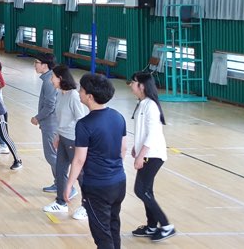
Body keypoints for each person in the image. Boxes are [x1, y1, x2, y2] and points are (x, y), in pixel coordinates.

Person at [65, 73, 128, 249]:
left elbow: (79, 159)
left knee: (102, 235)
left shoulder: (84, 124)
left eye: (82, 90)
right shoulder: (118, 116)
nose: (79, 92)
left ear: (90, 96)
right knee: (113, 227)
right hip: (119, 182)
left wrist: (69, 184)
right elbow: (123, 149)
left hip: (97, 187)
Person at [129, 71, 176, 241]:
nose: (130, 85)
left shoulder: (151, 106)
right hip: (147, 153)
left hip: (153, 155)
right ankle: (151, 227)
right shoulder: (142, 103)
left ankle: (166, 226)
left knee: (140, 190)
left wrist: (141, 155)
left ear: (142, 86)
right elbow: (143, 131)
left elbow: (153, 134)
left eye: (133, 82)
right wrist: (136, 147)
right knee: (146, 190)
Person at [42, 65, 88, 220]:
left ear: (60, 78)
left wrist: (80, 142)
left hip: (73, 140)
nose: (51, 80)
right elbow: (59, 118)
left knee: (80, 174)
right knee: (60, 169)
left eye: (53, 77)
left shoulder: (73, 95)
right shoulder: (60, 94)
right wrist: (57, 135)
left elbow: (81, 119)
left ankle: (87, 205)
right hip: (62, 137)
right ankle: (61, 202)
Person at [31, 53, 59, 195]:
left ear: (44, 65)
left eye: (36, 62)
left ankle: (65, 185)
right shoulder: (48, 79)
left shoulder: (49, 81)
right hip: (49, 123)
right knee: (53, 155)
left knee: (52, 156)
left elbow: (50, 105)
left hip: (51, 124)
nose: (34, 65)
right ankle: (59, 183)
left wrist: (38, 118)